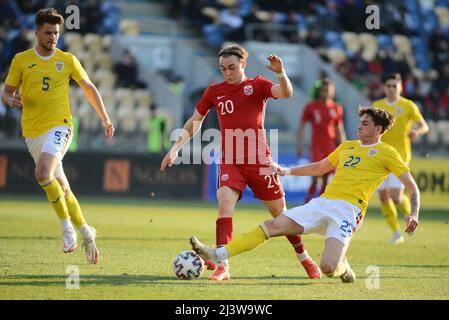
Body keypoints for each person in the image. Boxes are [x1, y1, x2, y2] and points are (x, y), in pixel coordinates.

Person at [190, 107, 420, 283]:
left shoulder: (387, 153)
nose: (360, 126)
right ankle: (218, 254)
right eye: (360, 122)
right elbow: (319, 168)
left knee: (328, 268)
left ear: (378, 129)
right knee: (272, 226)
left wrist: (414, 213)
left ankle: (343, 266)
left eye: (366, 123)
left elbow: (412, 187)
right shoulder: (347, 146)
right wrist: (286, 170)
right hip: (322, 204)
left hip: (348, 211)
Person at [161, 44, 320, 281]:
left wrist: (280, 73)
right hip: (231, 160)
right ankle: (223, 266)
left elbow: (285, 93)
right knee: (224, 205)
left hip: (260, 162)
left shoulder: (257, 85)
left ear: (243, 64)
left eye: (232, 67)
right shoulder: (214, 91)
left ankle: (305, 258)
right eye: (223, 68)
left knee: (282, 217)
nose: (227, 72)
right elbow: (195, 121)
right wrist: (176, 148)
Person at [1, 8, 115, 264]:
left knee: (43, 173)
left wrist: (105, 118)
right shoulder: (21, 60)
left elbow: (89, 87)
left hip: (60, 126)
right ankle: (86, 231)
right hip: (32, 132)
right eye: (48, 32)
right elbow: (6, 92)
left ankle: (66, 229)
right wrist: (10, 99)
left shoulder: (68, 60)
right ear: (37, 32)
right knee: (62, 188)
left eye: (56, 33)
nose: (53, 37)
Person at [372, 73, 428, 244]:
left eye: (394, 86)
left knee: (396, 196)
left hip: (400, 157)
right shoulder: (377, 106)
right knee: (383, 196)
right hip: (380, 156)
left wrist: (416, 132)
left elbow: (424, 126)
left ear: (401, 87)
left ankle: (410, 217)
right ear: (384, 87)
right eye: (388, 86)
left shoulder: (407, 105)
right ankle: (396, 233)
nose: (390, 89)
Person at [297, 78, 346, 203]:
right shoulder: (311, 107)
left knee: (327, 177)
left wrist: (344, 146)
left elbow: (339, 129)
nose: (325, 92)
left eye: (328, 90)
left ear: (332, 92)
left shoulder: (337, 108)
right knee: (316, 175)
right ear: (320, 91)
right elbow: (301, 127)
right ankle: (307, 202)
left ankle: (320, 204)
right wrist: (299, 145)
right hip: (316, 145)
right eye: (323, 90)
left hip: (330, 146)